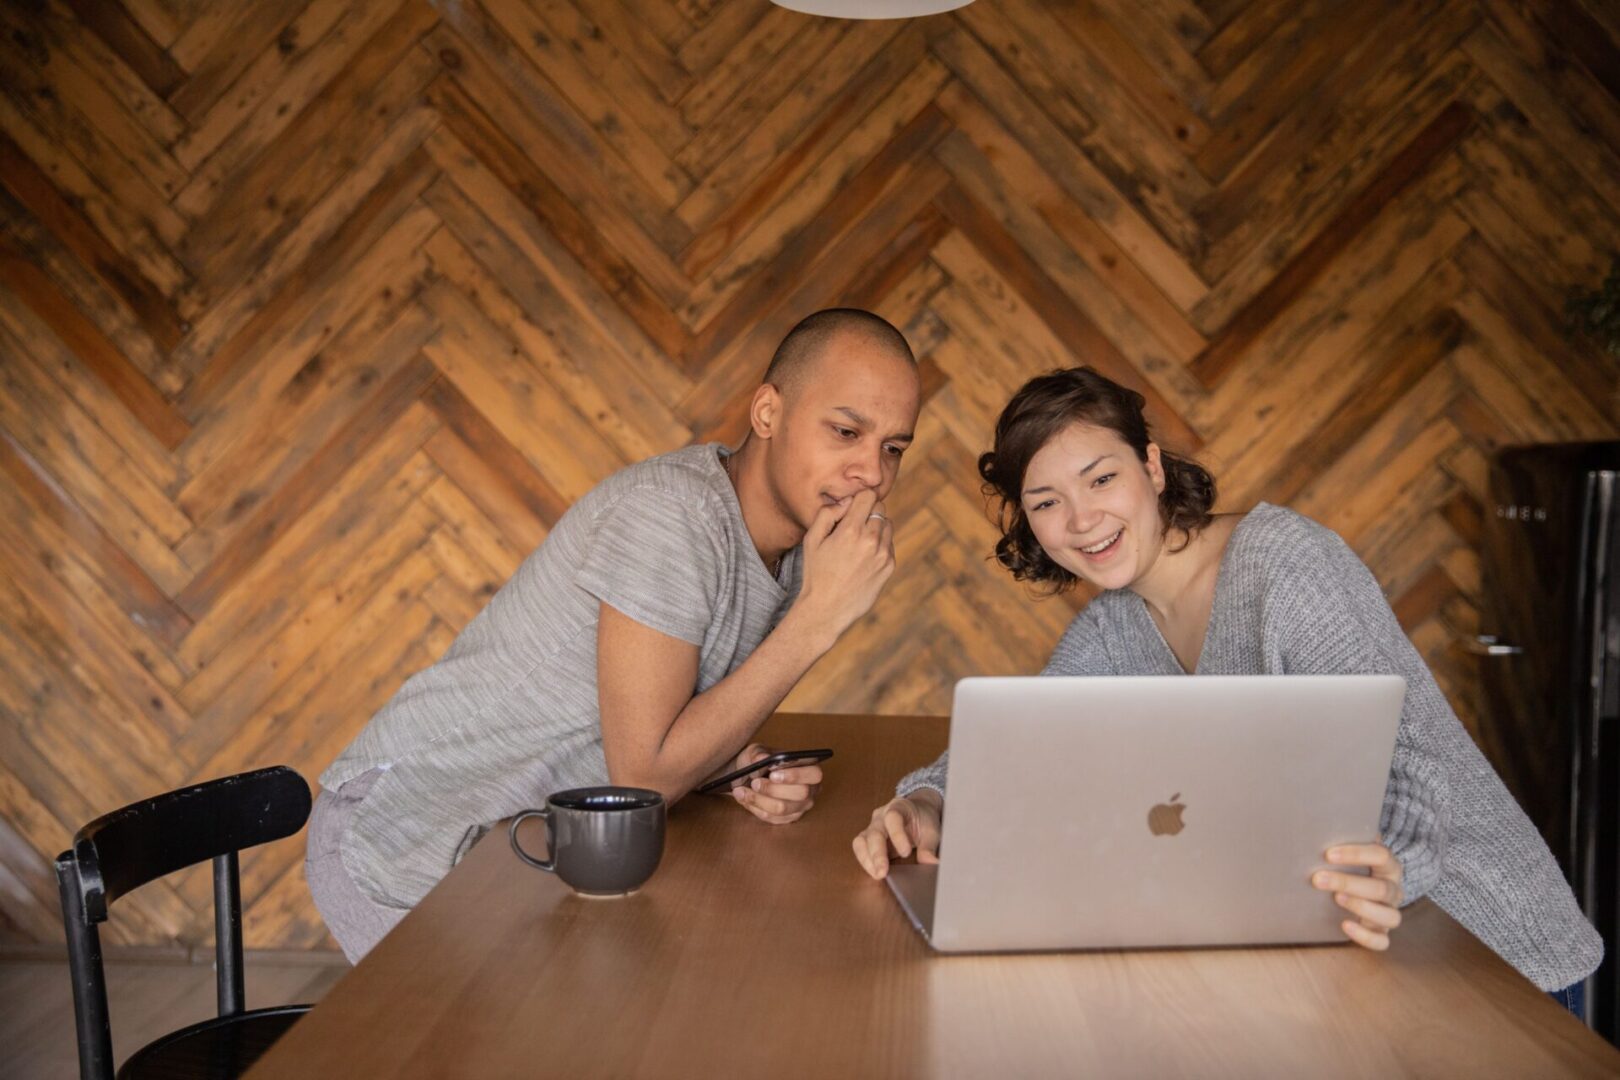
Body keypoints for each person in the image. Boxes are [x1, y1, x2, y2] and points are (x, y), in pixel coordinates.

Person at [851, 366, 1602, 1009]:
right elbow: (1022, 748)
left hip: (1491, 947)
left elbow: (1412, 761)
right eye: (1046, 502)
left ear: (1150, 468)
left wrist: (1390, 860)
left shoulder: (1285, 565)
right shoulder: (1114, 628)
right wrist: (930, 801)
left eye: (1101, 478)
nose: (1081, 520)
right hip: (1357, 956)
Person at [308, 308, 921, 961]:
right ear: (767, 413)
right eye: (846, 430)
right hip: (406, 836)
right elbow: (646, 776)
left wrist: (730, 766)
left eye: (892, 448)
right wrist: (817, 621)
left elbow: (655, 722)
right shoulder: (670, 516)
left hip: (529, 850)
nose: (874, 473)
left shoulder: (799, 547)